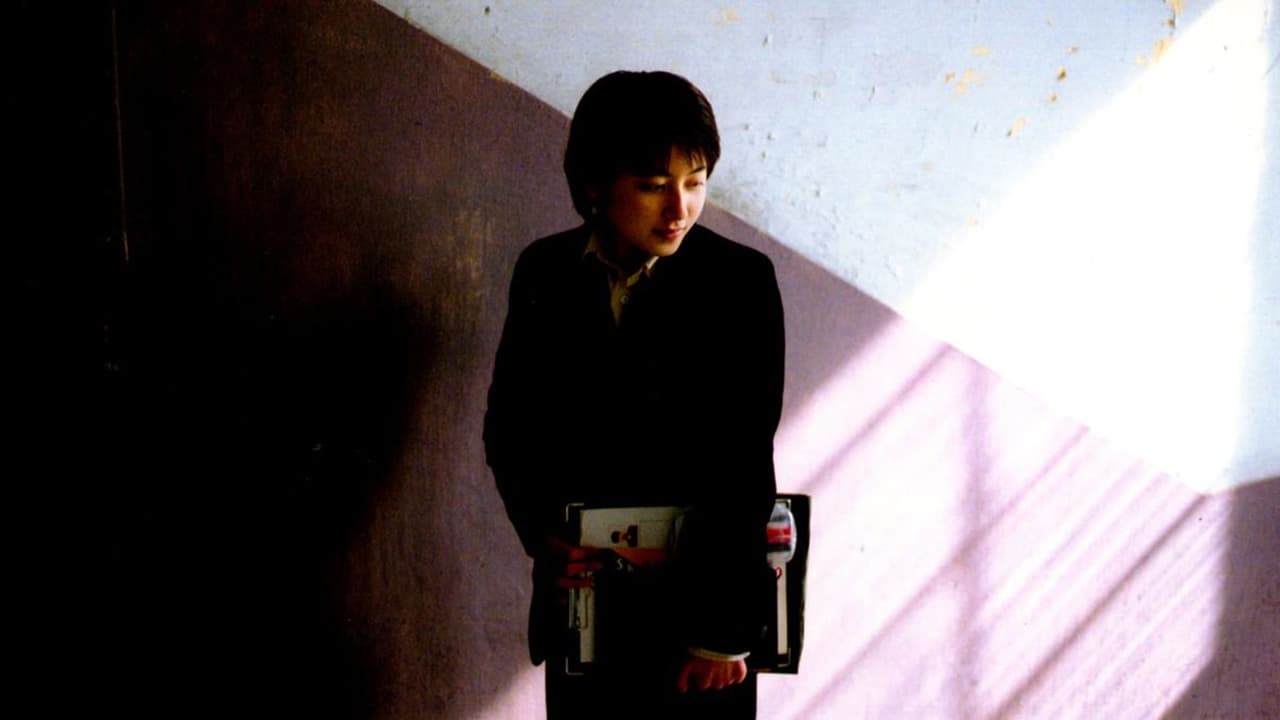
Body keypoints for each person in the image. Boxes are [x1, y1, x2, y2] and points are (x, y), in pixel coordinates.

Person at [484, 70, 785, 719]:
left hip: (700, 633)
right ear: (594, 184)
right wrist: (543, 534)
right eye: (653, 186)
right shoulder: (544, 270)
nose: (680, 209)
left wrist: (720, 634)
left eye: (695, 182)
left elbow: (743, 464)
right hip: (584, 610)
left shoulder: (740, 282)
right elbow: (510, 428)